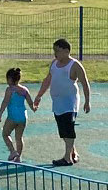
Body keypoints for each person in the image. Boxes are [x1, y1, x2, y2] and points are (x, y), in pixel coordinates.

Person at [35, 38, 91, 167]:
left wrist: (87, 101)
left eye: (57, 51)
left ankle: (67, 158)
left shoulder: (75, 65)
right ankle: (73, 152)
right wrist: (39, 96)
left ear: (66, 51)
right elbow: (47, 80)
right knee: (63, 130)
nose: (55, 54)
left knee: (68, 128)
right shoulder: (54, 63)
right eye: (54, 51)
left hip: (70, 102)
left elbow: (85, 83)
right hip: (57, 102)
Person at [0, 67, 34, 162]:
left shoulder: (10, 90)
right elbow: (30, 103)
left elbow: (5, 102)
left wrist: (0, 113)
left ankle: (12, 151)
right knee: (19, 138)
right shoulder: (24, 90)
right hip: (23, 117)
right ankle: (18, 157)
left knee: (5, 134)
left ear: (10, 79)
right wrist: (34, 108)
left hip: (12, 117)